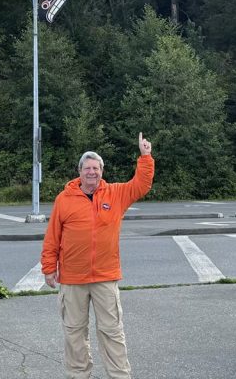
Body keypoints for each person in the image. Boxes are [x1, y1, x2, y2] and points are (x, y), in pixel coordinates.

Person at [41, 132, 154, 379]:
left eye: (96, 167)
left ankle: (119, 376)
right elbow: (53, 236)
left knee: (112, 331)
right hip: (72, 279)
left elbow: (141, 185)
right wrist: (49, 267)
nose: (92, 172)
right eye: (87, 168)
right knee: (74, 333)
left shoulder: (115, 194)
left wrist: (145, 157)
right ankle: (78, 375)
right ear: (79, 171)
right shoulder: (64, 199)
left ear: (102, 171)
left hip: (105, 276)